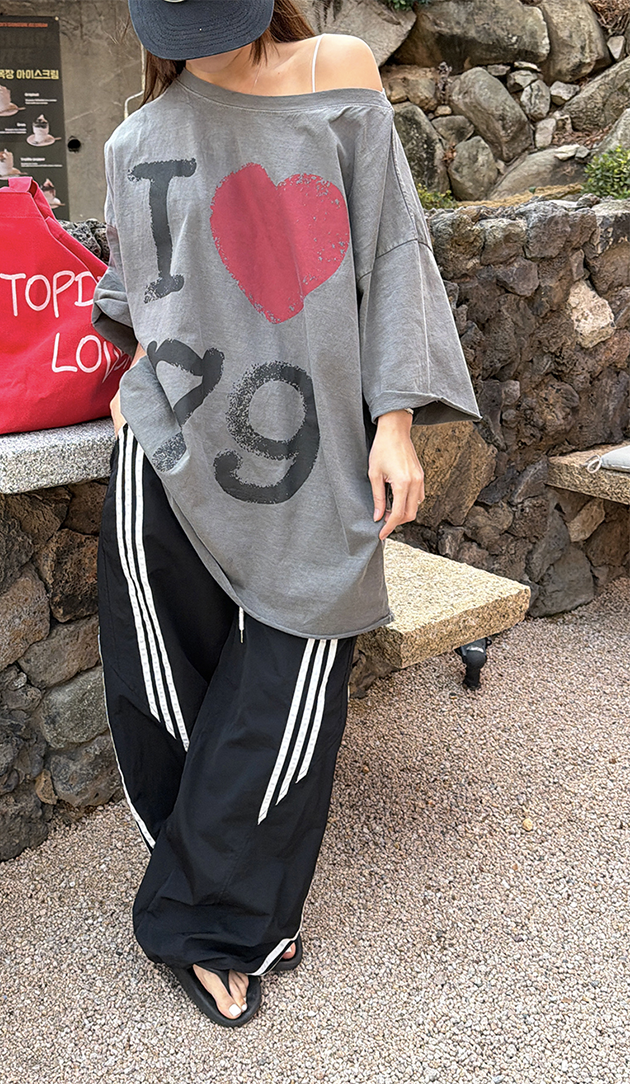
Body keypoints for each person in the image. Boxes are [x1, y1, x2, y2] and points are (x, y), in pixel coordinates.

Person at [92, 0, 480, 1027]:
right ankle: (227, 904)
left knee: (287, 688)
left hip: (312, 461)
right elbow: (132, 300)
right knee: (163, 689)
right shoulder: (135, 139)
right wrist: (134, 380)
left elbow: (392, 250)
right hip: (166, 451)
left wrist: (393, 422)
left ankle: (211, 911)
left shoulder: (338, 71)